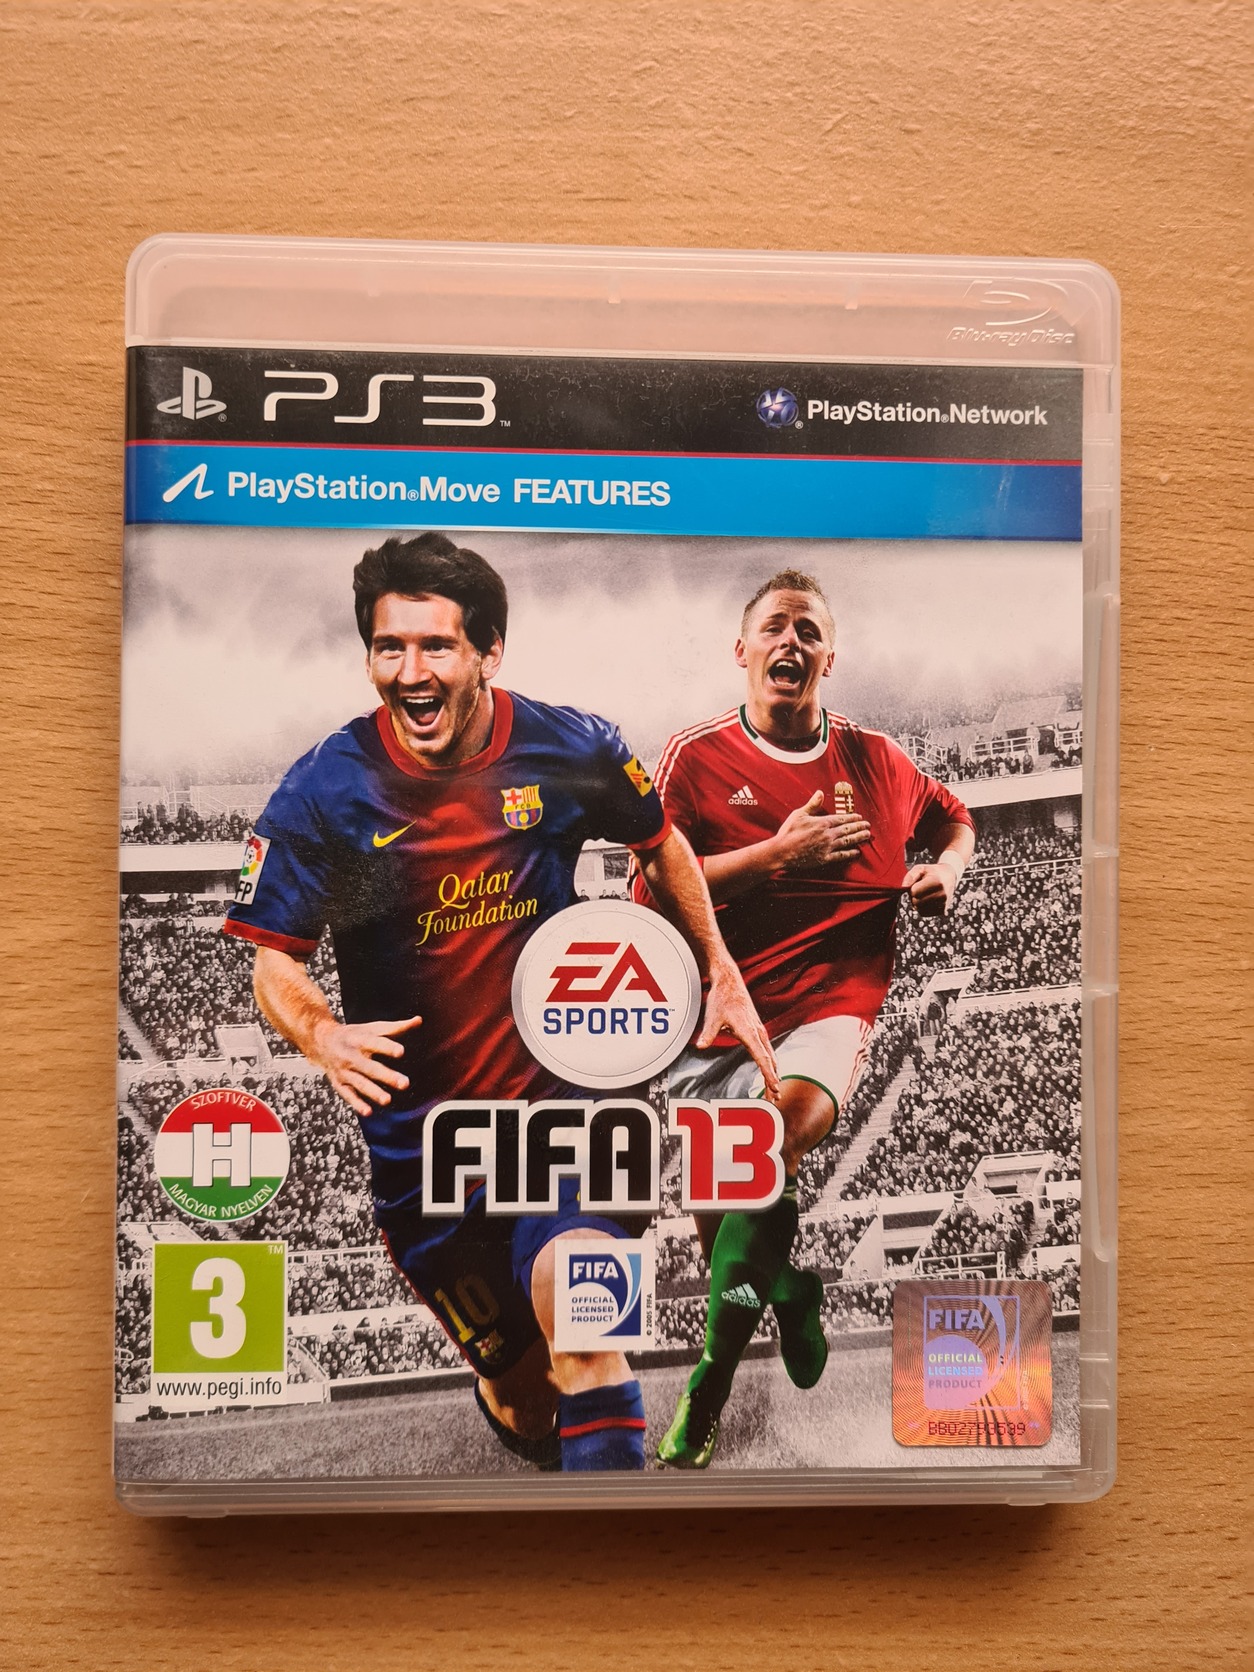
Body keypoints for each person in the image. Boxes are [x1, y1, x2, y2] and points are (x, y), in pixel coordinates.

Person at [223, 532, 777, 1474]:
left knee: (587, 1335)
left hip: (566, 1116)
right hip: (426, 1157)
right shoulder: (325, 789)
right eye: (389, 648)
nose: (410, 671)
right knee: (524, 1394)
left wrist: (717, 964)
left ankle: (621, 1554)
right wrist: (322, 1034)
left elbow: (660, 843)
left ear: (489, 652)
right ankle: (543, 1439)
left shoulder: (572, 747)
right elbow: (274, 956)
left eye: (436, 646)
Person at [634, 568, 975, 1467]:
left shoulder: (878, 760)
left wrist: (944, 872)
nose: (791, 640)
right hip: (716, 1010)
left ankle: (706, 1394)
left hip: (833, 1000)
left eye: (809, 630)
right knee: (726, 1244)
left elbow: (956, 820)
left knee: (771, 1137)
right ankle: (790, 1289)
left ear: (830, 658)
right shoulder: (693, 758)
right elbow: (650, 887)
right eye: (775, 627)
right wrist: (773, 856)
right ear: (742, 650)